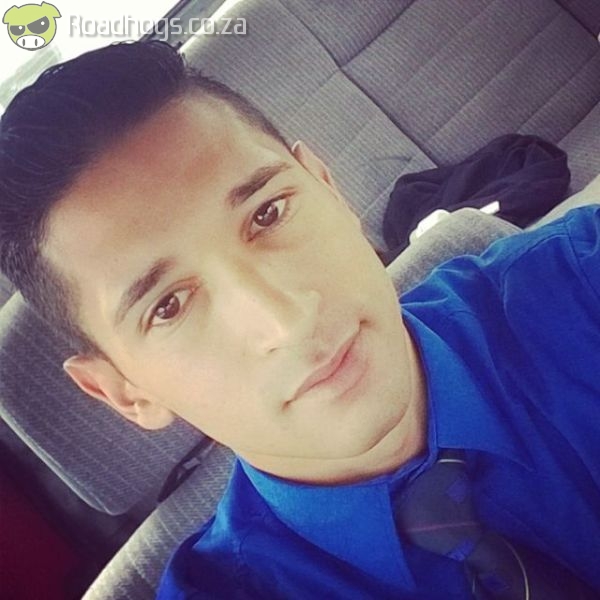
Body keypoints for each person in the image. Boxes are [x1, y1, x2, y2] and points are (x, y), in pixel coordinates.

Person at [0, 41, 598, 599]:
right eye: (169, 306)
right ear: (125, 393)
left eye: (268, 213)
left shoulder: (573, 279)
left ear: (329, 189)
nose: (285, 320)